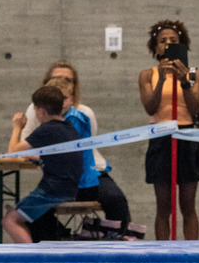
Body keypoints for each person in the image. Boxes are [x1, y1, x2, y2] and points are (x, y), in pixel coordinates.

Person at [21, 59, 130, 228]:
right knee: (33, 212)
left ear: (72, 92)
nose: (60, 84)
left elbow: (84, 152)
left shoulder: (83, 114)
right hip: (58, 175)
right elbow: (24, 143)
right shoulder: (35, 110)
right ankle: (63, 242)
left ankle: (123, 238)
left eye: (67, 80)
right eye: (55, 79)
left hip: (90, 172)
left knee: (116, 199)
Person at [138, 19, 199, 240]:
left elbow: (195, 107)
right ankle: (163, 253)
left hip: (187, 137)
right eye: (163, 41)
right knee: (163, 206)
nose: (168, 44)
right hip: (161, 138)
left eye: (173, 41)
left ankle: (192, 253)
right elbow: (150, 107)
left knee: (188, 204)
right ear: (155, 47)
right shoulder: (147, 75)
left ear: (183, 45)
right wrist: (161, 80)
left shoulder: (195, 74)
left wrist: (184, 81)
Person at [2, 85, 82, 244]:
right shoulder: (69, 128)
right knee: (24, 216)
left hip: (53, 191)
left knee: (10, 220)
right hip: (69, 188)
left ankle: (31, 260)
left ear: (41, 111)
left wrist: (17, 127)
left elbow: (13, 151)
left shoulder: (47, 129)